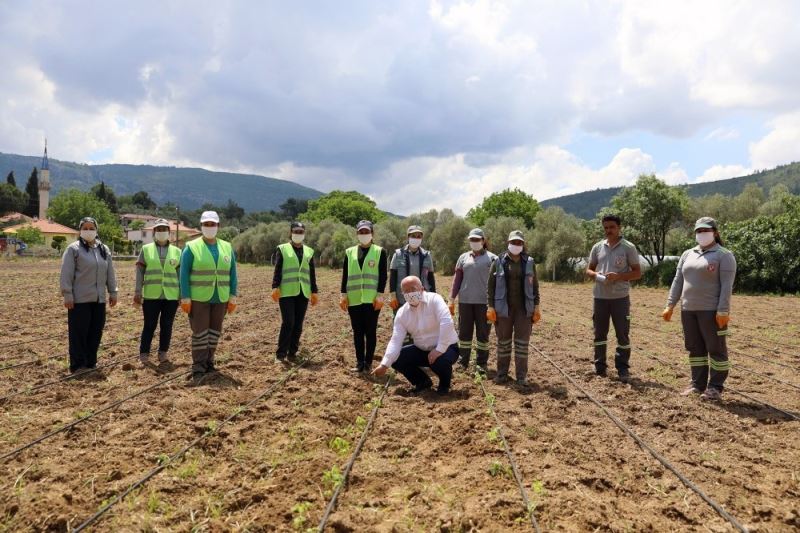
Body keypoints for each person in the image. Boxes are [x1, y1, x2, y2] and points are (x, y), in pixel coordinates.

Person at [662, 217, 736, 401]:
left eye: (706, 230)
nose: (702, 234)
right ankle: (697, 384)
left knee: (716, 348)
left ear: (715, 233)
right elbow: (678, 281)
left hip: (711, 311)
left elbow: (727, 286)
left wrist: (723, 311)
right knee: (695, 348)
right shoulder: (688, 254)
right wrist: (670, 304)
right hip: (688, 310)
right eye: (699, 231)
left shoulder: (724, 255)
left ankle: (715, 387)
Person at [372, 276, 459, 394]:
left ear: (422, 289)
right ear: (402, 294)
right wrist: (384, 365)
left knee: (439, 361)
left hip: (447, 347)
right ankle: (422, 382)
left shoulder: (434, 300)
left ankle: (444, 385)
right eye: (406, 291)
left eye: (413, 288)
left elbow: (447, 322)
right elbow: (396, 340)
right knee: (397, 358)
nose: (410, 293)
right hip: (422, 349)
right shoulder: (402, 314)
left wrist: (440, 349)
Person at [179, 211, 238, 385]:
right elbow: (183, 274)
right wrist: (185, 297)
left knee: (214, 332)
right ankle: (198, 367)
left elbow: (233, 273)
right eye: (206, 225)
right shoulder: (191, 247)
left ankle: (209, 363)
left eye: (213, 224)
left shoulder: (227, 247)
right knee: (200, 333)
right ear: (201, 226)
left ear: (218, 226)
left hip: (220, 297)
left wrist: (233, 296)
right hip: (199, 299)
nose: (210, 228)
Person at [585, 214, 642, 382]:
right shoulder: (597, 247)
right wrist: (597, 275)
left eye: (612, 227)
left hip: (620, 298)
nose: (608, 230)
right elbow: (588, 270)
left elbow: (637, 273)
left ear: (619, 228)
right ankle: (600, 367)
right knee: (599, 334)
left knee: (622, 335)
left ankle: (622, 368)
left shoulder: (628, 247)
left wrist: (618, 276)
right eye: (606, 228)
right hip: (600, 297)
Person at [59, 217, 118, 374]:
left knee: (95, 332)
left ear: (96, 230)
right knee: (79, 333)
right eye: (85, 228)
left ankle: (91, 363)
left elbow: (110, 273)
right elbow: (66, 273)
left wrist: (113, 292)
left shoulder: (104, 249)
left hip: (99, 300)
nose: (88, 231)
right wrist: (67, 294)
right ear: (80, 230)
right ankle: (78, 365)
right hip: (79, 300)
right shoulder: (73, 249)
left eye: (91, 228)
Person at [487, 230, 540, 386]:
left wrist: (536, 306)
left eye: (519, 242)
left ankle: (521, 376)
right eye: (514, 242)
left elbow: (535, 287)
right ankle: (502, 374)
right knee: (503, 343)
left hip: (524, 310)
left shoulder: (530, 262)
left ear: (523, 244)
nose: (516, 245)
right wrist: (490, 307)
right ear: (508, 243)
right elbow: (491, 286)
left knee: (522, 344)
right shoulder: (498, 261)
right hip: (503, 309)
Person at [340, 220, 388, 373]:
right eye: (361, 232)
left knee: (371, 331)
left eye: (367, 232)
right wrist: (343, 295)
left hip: (372, 299)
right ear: (357, 234)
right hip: (354, 299)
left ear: (372, 233)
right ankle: (360, 363)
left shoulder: (380, 251)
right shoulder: (349, 252)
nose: (364, 234)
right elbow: (345, 275)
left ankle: (368, 363)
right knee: (357, 332)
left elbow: (382, 275)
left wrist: (380, 295)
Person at [133, 219, 181, 365]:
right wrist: (137, 291)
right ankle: (144, 354)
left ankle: (163, 353)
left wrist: (181, 294)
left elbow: (180, 274)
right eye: (158, 229)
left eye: (164, 229)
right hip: (151, 295)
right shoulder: (146, 249)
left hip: (171, 296)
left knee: (167, 325)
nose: (161, 232)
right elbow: (140, 271)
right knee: (149, 324)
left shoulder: (177, 252)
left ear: (169, 232)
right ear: (154, 232)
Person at [449, 228, 497, 374]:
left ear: (483, 241)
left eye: (477, 239)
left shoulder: (493, 258)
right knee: (464, 333)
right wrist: (451, 299)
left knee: (483, 334)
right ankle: (463, 361)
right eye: (472, 240)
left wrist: (495, 305)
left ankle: (481, 363)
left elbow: (498, 283)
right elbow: (457, 280)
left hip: (485, 304)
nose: (474, 242)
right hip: (465, 302)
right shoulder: (463, 258)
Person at [271, 222, 319, 362]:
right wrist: (275, 286)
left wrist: (314, 291)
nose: (298, 234)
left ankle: (292, 353)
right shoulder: (283, 249)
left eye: (301, 231)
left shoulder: (309, 251)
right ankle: (280, 354)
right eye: (296, 231)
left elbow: (311, 273)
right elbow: (278, 269)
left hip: (303, 292)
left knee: (298, 323)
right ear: (290, 233)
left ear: (304, 233)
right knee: (288, 322)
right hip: (286, 292)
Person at [389, 225, 435, 312]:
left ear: (422, 238)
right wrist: (392, 296)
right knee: (401, 323)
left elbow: (431, 278)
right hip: (402, 299)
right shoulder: (398, 254)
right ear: (408, 237)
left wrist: (433, 296)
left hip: (422, 299)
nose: (416, 238)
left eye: (418, 236)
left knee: (421, 324)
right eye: (413, 236)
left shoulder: (426, 255)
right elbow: (393, 277)